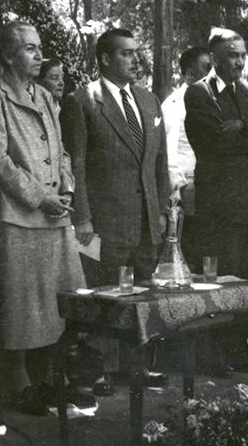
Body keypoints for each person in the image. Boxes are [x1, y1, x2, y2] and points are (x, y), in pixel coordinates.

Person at [0, 22, 86, 414]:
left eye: (39, 48)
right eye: (29, 48)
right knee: (21, 304)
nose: (40, 56)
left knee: (56, 300)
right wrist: (41, 197)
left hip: (55, 214)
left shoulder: (43, 95)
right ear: (8, 55)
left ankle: (48, 380)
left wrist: (66, 189)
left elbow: (62, 151)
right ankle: (19, 384)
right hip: (16, 216)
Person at [60, 28, 169, 396]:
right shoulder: (82, 101)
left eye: (136, 52)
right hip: (107, 218)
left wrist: (163, 208)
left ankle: (133, 366)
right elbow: (76, 164)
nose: (135, 59)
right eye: (126, 53)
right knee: (107, 294)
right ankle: (101, 370)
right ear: (105, 59)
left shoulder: (149, 100)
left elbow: (159, 163)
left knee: (141, 294)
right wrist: (83, 217)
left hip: (147, 217)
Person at [184, 29, 248, 279]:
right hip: (221, 203)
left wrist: (241, 124)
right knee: (223, 278)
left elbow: (240, 135)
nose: (240, 62)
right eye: (232, 56)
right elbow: (218, 143)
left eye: (243, 56)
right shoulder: (199, 92)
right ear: (214, 58)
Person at [161, 47, 211, 220]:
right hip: (188, 186)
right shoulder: (174, 104)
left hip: (213, 185)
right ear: (189, 74)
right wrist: (178, 193)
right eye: (207, 68)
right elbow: (168, 151)